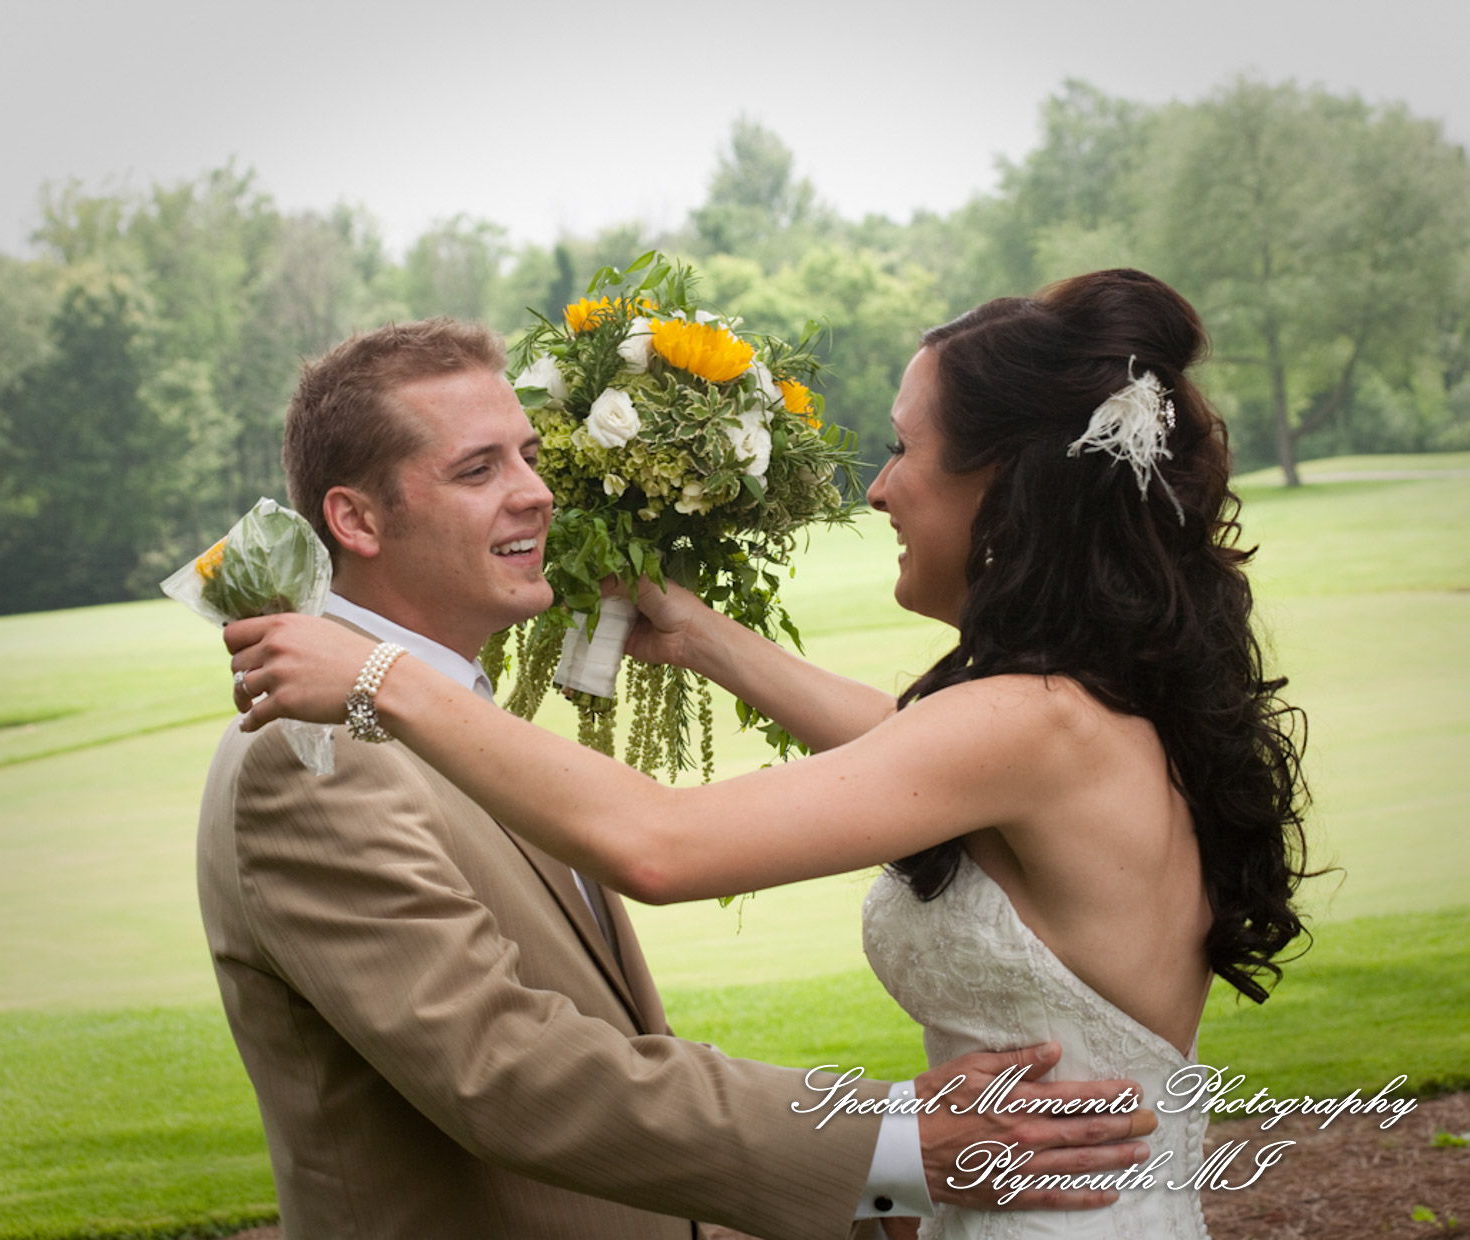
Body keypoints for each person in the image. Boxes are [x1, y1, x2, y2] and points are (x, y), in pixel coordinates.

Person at [198, 316, 1158, 1240]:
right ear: (356, 519)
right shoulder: (310, 758)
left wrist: (889, 1167)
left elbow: (908, 758)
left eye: (529, 455)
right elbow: (504, 1069)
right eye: (480, 468)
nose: (537, 492)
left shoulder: (438, 716)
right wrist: (892, 1150)